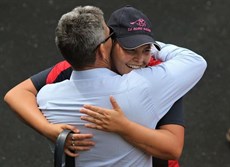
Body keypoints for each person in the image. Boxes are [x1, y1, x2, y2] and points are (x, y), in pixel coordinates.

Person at [4, 5, 206, 166]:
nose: (140, 59)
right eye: (130, 49)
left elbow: (171, 148)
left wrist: (123, 127)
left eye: (146, 49)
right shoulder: (69, 68)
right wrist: (49, 130)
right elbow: (15, 95)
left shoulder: (161, 74)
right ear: (108, 46)